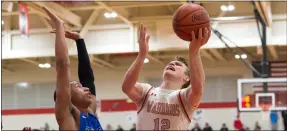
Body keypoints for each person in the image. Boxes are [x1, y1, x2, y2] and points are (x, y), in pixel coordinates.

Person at [121, 23, 209, 130]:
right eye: (170, 63)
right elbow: (126, 87)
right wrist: (141, 55)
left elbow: (198, 88)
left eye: (178, 65)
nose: (172, 64)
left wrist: (194, 52)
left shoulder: (184, 97)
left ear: (186, 78)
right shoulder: (146, 91)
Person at [42, 6, 102, 130]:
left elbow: (88, 78)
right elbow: (63, 65)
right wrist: (59, 27)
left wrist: (79, 41)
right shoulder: (69, 117)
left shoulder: (90, 113)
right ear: (68, 96)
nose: (85, 88)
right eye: (78, 87)